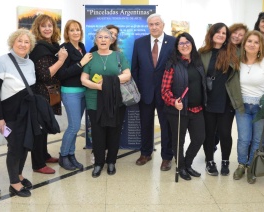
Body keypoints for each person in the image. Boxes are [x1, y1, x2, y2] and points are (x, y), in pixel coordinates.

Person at [81, 27, 131, 178]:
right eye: (100, 37)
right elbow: (83, 79)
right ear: (95, 40)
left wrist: (109, 83)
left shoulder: (119, 56)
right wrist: (98, 86)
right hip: (94, 100)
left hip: (116, 101)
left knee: (114, 132)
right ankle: (98, 163)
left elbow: (127, 75)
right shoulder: (90, 57)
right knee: (97, 133)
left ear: (111, 40)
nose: (103, 40)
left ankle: (111, 162)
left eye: (106, 37)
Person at [0, 28, 37, 197]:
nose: (23, 44)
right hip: (9, 115)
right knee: (14, 147)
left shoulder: (31, 62)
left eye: (27, 42)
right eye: (20, 41)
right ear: (12, 42)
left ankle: (19, 174)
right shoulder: (2, 61)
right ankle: (14, 183)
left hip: (26, 113)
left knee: (25, 145)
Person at [232, 30, 264, 184]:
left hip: (261, 108)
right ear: (244, 44)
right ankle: (241, 164)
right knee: (244, 139)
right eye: (249, 41)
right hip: (242, 107)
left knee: (257, 140)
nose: (252, 44)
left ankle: (252, 167)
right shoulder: (237, 61)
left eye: (256, 42)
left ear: (261, 46)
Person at [131, 13, 176, 171]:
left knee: (166, 126)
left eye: (157, 24)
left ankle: (166, 157)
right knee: (145, 124)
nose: (154, 27)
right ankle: (145, 153)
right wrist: (138, 89)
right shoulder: (139, 43)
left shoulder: (173, 42)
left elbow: (176, 68)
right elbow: (134, 69)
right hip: (145, 92)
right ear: (148, 26)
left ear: (163, 25)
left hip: (166, 93)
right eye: (151, 24)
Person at [161, 32, 207, 180]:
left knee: (199, 138)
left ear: (192, 44)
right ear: (177, 47)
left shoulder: (198, 62)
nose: (185, 45)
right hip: (178, 110)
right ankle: (180, 167)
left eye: (187, 42)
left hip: (197, 109)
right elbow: (164, 90)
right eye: (181, 43)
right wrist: (173, 101)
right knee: (178, 141)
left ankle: (187, 164)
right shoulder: (172, 64)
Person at [199, 23, 240, 176]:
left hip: (226, 100)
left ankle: (225, 161)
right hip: (208, 100)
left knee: (225, 133)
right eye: (218, 32)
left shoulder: (234, 52)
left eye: (224, 33)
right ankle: (209, 161)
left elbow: (254, 53)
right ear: (212, 34)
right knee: (209, 133)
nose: (221, 35)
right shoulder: (203, 52)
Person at [29, 14, 68, 174]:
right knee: (39, 129)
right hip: (40, 93)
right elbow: (44, 75)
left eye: (50, 26)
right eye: (43, 26)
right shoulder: (39, 47)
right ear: (37, 28)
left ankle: (44, 155)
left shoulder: (52, 45)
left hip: (50, 93)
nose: (47, 29)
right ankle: (38, 164)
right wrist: (61, 61)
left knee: (44, 126)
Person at [56, 20, 93, 170]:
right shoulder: (64, 49)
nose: (75, 32)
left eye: (77, 29)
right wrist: (81, 63)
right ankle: (63, 155)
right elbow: (62, 74)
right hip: (70, 92)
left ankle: (71, 155)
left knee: (75, 127)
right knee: (74, 126)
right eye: (72, 30)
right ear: (67, 32)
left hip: (84, 90)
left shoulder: (81, 47)